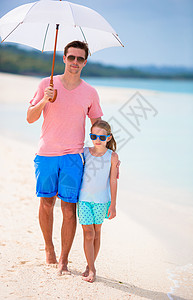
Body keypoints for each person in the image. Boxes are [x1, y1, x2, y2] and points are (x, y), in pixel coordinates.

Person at [26, 41, 103, 275]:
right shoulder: (46, 84)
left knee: (69, 209)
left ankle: (63, 259)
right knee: (46, 203)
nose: (75, 63)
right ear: (64, 58)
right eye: (71, 58)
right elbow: (30, 117)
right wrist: (44, 100)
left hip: (73, 157)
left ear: (85, 62)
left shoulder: (90, 92)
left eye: (80, 59)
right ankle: (48, 248)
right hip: (47, 153)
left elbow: (97, 123)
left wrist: (107, 152)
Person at [77, 120, 118, 283]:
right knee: (88, 233)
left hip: (102, 201)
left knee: (97, 232)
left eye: (101, 137)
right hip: (84, 199)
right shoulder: (85, 152)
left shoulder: (112, 156)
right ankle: (93, 269)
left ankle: (89, 264)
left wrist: (113, 205)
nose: (97, 140)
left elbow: (113, 181)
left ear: (108, 138)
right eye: (94, 136)